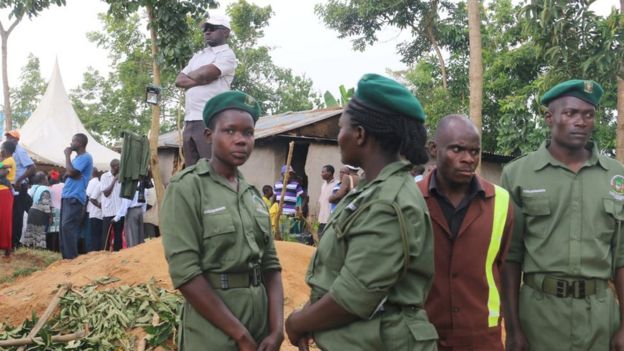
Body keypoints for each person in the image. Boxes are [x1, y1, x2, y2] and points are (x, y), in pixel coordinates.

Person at [285, 73, 437, 350]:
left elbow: (354, 295)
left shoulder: (387, 202)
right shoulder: (371, 191)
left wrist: (298, 322)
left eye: (341, 128)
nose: (338, 136)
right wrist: (311, 313)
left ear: (360, 134)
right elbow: (340, 273)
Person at [501, 80, 624, 351]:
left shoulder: (617, 176)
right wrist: (512, 328)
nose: (581, 122)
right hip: (540, 318)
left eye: (588, 115)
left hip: (600, 318)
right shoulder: (518, 174)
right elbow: (510, 257)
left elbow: (621, 255)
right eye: (570, 113)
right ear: (549, 117)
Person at [161, 90, 283, 350]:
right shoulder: (187, 188)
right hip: (213, 331)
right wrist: (239, 335)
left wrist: (276, 330)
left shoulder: (252, 195)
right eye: (230, 131)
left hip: (260, 326)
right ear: (209, 136)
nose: (241, 140)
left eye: (248, 133)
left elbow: (271, 266)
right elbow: (186, 273)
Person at [418, 115, 513, 350]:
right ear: (434, 149)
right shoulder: (411, 199)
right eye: (457, 149)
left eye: (475, 151)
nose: (468, 159)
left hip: (482, 337)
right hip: (422, 335)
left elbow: (506, 268)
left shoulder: (500, 201)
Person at [175, 14, 237, 167]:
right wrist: (202, 78)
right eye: (205, 29)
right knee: (193, 171)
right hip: (190, 120)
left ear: (226, 32)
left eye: (212, 28)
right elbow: (179, 80)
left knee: (212, 170)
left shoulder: (227, 55)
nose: (207, 32)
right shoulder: (198, 56)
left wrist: (199, 76)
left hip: (209, 120)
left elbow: (204, 74)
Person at [60, 133, 93, 259]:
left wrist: (67, 155)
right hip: (67, 195)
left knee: (68, 227)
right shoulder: (77, 159)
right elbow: (70, 172)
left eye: (73, 141)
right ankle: (65, 258)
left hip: (75, 197)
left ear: (79, 143)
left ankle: (71, 258)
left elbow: (73, 172)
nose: (71, 143)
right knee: (63, 229)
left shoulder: (86, 157)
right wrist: (69, 173)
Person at [4, 130, 35, 249]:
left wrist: (19, 180)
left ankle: (15, 244)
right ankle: (10, 242)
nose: (8, 140)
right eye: (7, 137)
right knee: (11, 214)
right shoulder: (9, 153)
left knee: (17, 216)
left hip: (20, 186)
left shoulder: (20, 150)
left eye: (11, 138)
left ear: (16, 140)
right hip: (12, 187)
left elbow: (32, 167)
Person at [21, 171, 52, 249]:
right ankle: (38, 250)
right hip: (39, 213)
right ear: (42, 180)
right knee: (39, 233)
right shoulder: (45, 189)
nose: (47, 180)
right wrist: (50, 216)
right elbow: (45, 205)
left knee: (31, 233)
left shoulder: (33, 188)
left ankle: (29, 250)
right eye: (46, 179)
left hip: (31, 212)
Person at [100, 159, 123, 251]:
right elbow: (106, 193)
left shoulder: (122, 177)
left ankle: (118, 255)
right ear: (115, 167)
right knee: (106, 236)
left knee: (118, 236)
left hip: (119, 212)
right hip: (108, 211)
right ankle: (104, 254)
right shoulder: (104, 176)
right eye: (119, 166)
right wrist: (114, 180)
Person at [0, 141, 16, 258]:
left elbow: (3, 173)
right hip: (3, 191)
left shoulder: (8, 161)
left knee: (4, 220)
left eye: (1, 148)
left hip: (4, 192)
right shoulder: (5, 161)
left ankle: (7, 249)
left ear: (5, 149)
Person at [317, 165, 338, 237]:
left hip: (330, 219)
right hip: (322, 218)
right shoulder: (323, 185)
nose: (321, 174)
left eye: (323, 172)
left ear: (329, 173)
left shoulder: (337, 185)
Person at [86, 168, 103, 252]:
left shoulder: (92, 182)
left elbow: (88, 195)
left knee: (93, 235)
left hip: (93, 212)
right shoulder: (99, 183)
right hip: (100, 213)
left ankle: (93, 252)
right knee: (99, 235)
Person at [47, 171, 63, 252]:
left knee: (53, 233)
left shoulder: (50, 188)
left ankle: (53, 250)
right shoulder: (63, 185)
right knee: (60, 232)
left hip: (53, 210)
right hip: (63, 210)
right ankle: (60, 250)